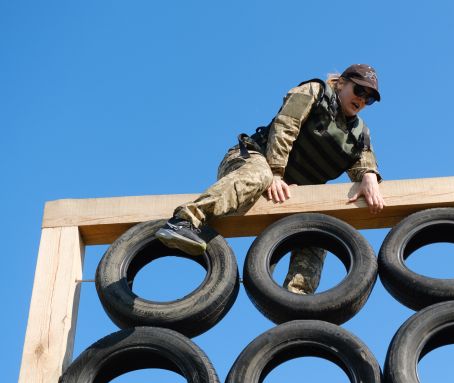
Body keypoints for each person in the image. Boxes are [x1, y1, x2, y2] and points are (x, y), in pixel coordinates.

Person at [155, 64, 386, 294]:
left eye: (370, 99)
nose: (363, 100)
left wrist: (369, 176)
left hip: (292, 191)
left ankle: (296, 301)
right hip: (253, 160)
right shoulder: (316, 92)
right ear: (342, 83)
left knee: (319, 228)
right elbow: (286, 124)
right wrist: (276, 172)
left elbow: (365, 162)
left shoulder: (359, 133)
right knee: (261, 175)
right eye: (359, 90)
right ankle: (184, 220)